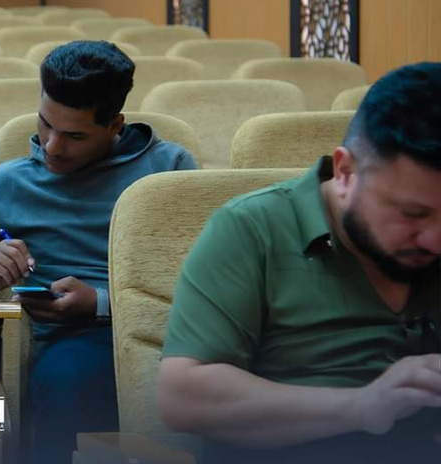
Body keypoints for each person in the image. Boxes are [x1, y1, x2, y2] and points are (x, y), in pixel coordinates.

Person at [0, 41, 198, 464]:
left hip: (171, 331)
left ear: (115, 125)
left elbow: (198, 278)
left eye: (74, 136)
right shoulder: (11, 183)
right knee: (69, 380)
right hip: (74, 343)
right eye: (45, 124)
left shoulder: (168, 170)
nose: (52, 146)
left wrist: (100, 303)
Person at [158, 62, 441, 464]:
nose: (434, 240)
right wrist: (361, 406)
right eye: (412, 214)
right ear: (345, 172)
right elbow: (182, 396)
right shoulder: (252, 229)